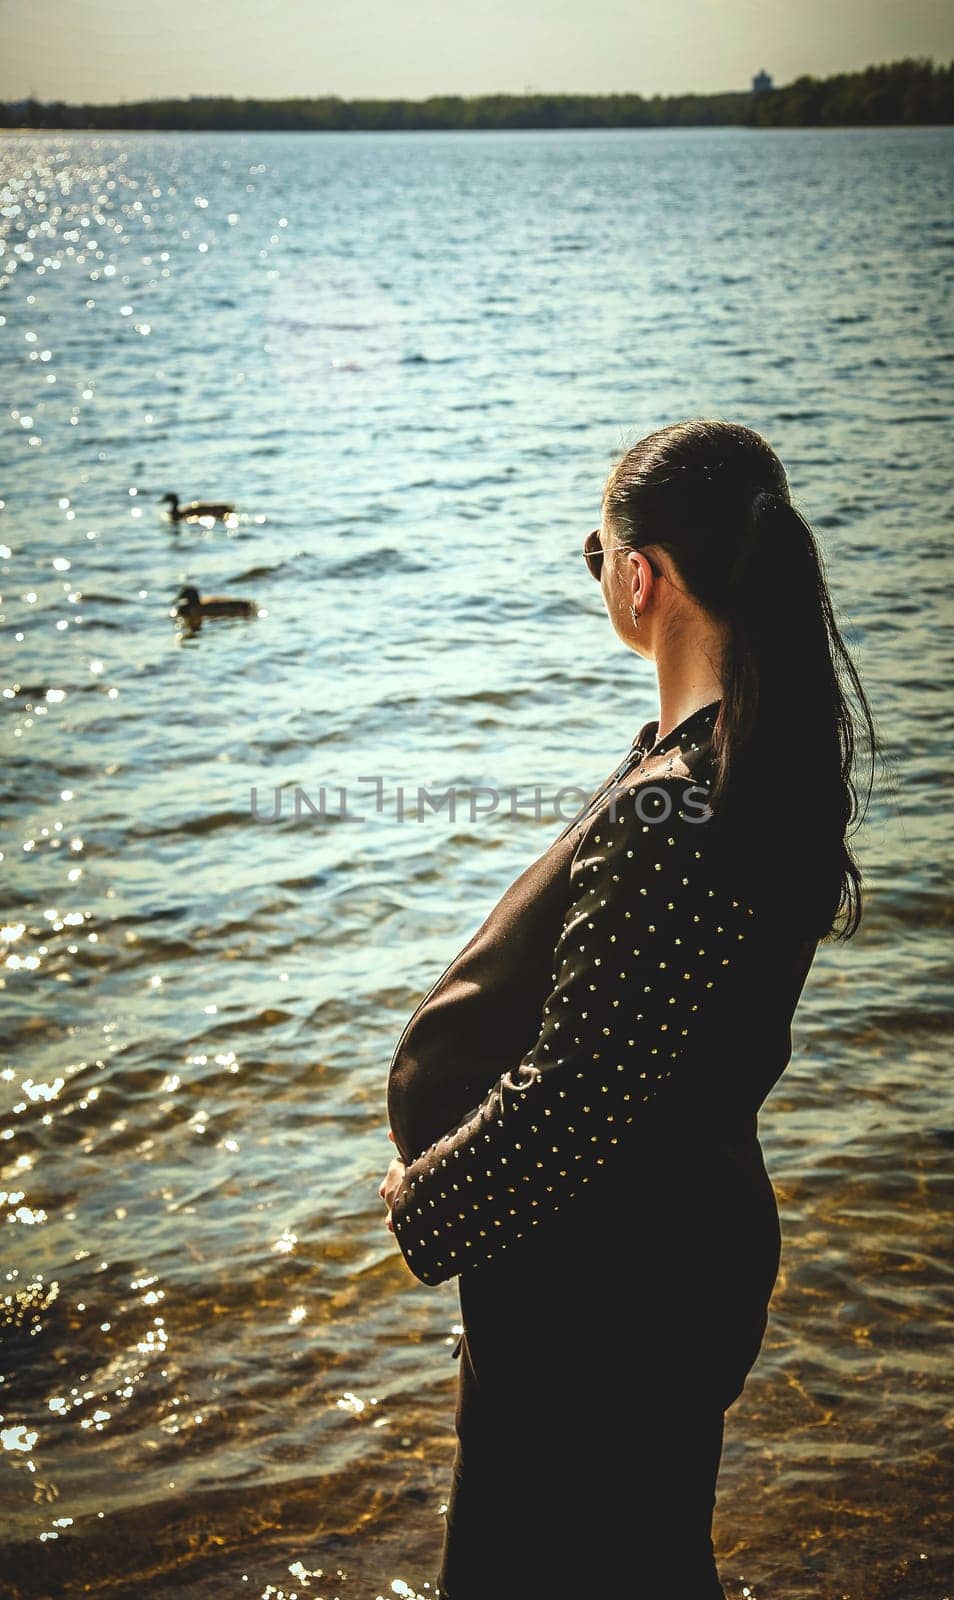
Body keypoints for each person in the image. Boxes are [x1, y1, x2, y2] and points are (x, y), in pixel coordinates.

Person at [379, 418, 878, 1598]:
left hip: (599, 1306)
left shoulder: (681, 811)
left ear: (640, 576)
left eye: (593, 552)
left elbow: (579, 1097)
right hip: (671, 1268)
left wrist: (421, 1198)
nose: (598, 573)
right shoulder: (753, 769)